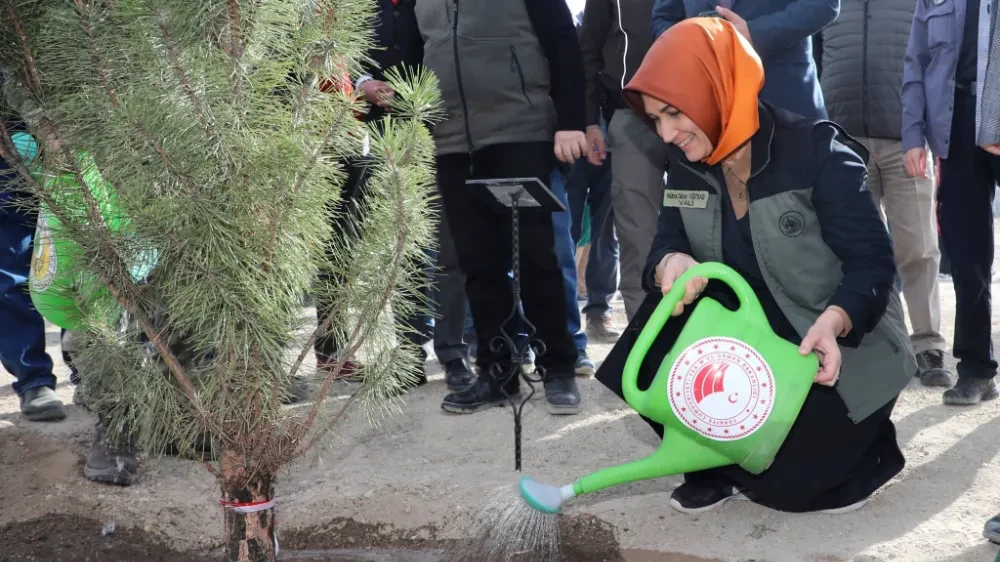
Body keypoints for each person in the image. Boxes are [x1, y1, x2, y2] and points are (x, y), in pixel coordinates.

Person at [596, 18, 914, 513]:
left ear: (717, 90)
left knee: (791, 492)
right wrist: (671, 263)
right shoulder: (686, 165)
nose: (666, 132)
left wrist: (835, 321)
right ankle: (711, 460)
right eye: (656, 119)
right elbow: (664, 245)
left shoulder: (817, 152)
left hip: (826, 340)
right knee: (647, 340)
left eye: (674, 113)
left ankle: (868, 453)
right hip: (754, 337)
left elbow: (872, 266)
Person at [412, 0, 588, 415]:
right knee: (478, 264)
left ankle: (558, 367)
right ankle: (497, 373)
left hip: (520, 133)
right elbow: (412, 59)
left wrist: (571, 122)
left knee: (537, 257)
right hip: (450, 143)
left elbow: (563, 42)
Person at [819, 0, 952, 387]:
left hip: (905, 140)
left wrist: (926, 132)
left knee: (919, 248)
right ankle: (873, 345)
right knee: (854, 252)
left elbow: (934, 60)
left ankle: (928, 344)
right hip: (842, 141)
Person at [903, 0, 999, 405]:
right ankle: (976, 369)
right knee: (966, 256)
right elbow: (916, 62)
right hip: (958, 125)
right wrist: (912, 135)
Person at [580, 0, 666, 322]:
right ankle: (646, 351)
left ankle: (703, 349)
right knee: (637, 237)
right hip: (630, 115)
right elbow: (589, 48)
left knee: (702, 233)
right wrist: (589, 121)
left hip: (696, 115)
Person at [650, 0, 838, 120]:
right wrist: (693, 44)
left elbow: (824, 4)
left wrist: (754, 33)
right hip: (709, 108)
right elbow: (663, 18)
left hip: (784, 100)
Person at [0, 111, 66, 423]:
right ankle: (33, 379)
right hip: (4, 134)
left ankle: (94, 373)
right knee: (9, 267)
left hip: (65, 122)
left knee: (80, 259)